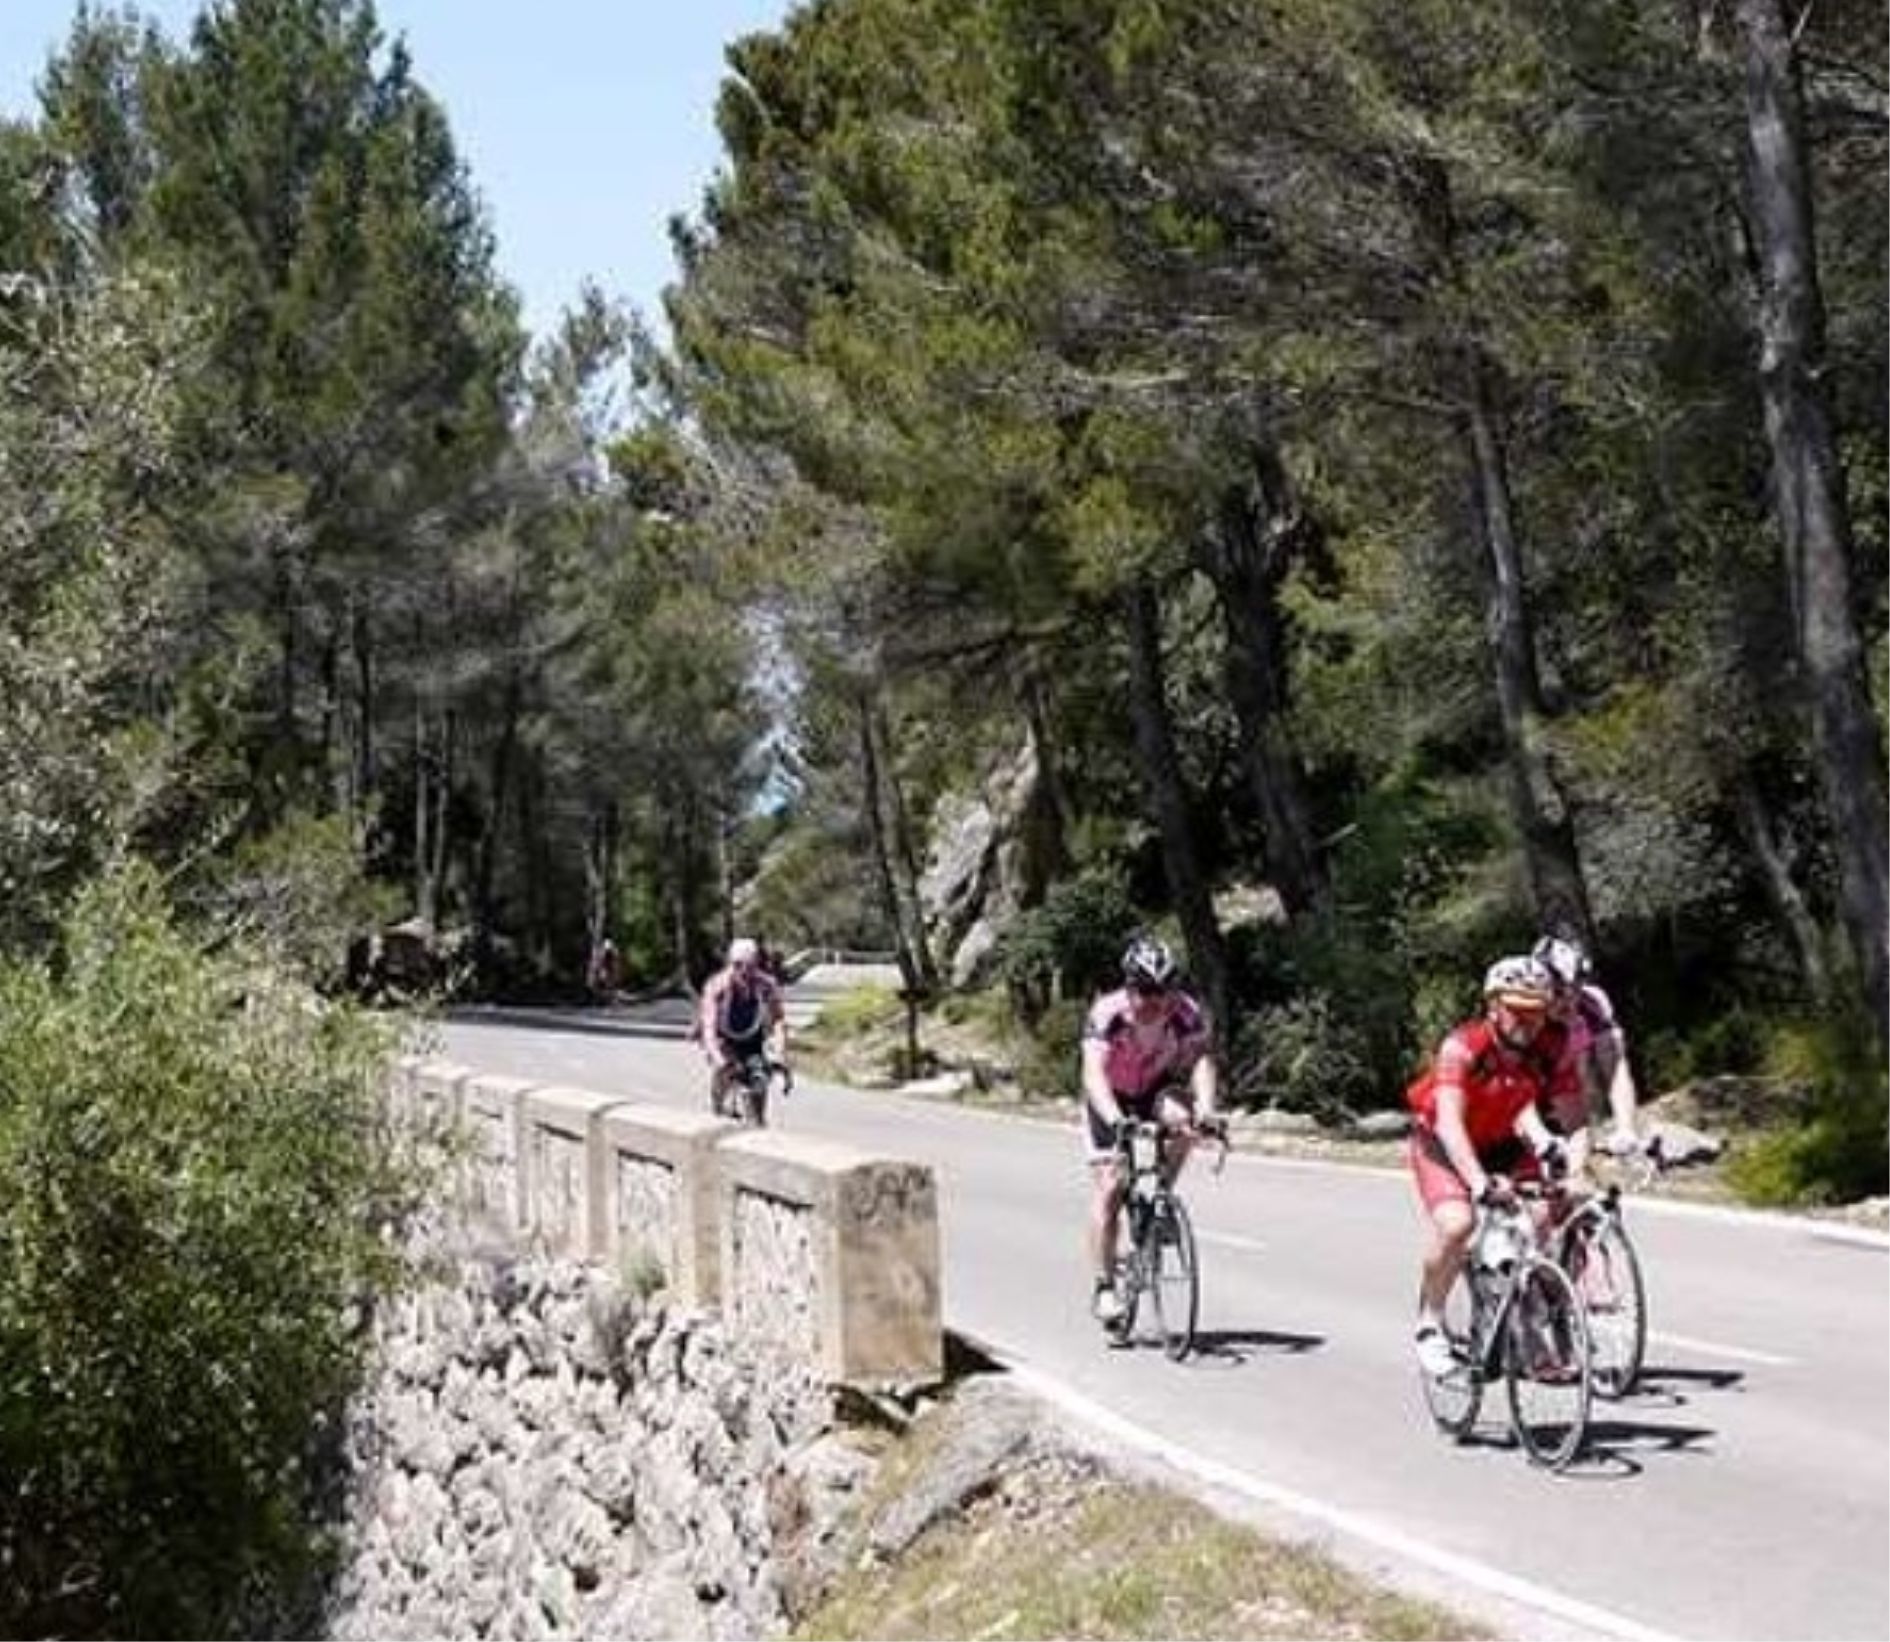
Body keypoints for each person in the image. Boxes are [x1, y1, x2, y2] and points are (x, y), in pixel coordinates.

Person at [1405, 954, 1577, 1376]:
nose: (1528, 1021)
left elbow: (1525, 1104)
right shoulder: (1462, 1048)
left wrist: (1548, 1146)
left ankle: (1526, 1325)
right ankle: (1431, 1321)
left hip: (1499, 1141)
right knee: (1457, 1224)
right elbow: (1449, 1120)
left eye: (1537, 1011)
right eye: (1517, 1010)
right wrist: (1479, 1183)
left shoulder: (1548, 1048)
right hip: (1443, 1143)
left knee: (1544, 1215)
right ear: (1493, 1007)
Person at [1080, 935, 1225, 1325]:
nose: (1156, 1001)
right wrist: (1114, 1120)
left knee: (1186, 1123)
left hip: (1153, 1089)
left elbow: (1200, 1061)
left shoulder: (1184, 1011)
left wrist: (1207, 1108)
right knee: (1111, 1185)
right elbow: (1093, 1074)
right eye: (1146, 991)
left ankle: (1161, 1198)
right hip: (1110, 1096)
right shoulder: (1107, 1013)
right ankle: (1104, 1286)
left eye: (1164, 990)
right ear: (1129, 987)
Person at [1533, 934, 1643, 1173]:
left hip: (1569, 1097)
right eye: (1558, 991)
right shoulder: (1526, 1006)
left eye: (1575, 988)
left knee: (1588, 1052)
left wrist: (1626, 1129)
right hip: (1530, 1101)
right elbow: (1511, 1078)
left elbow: (1615, 1068)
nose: (1568, 999)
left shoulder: (1593, 1002)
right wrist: (1538, 1136)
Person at [697, 936, 788, 1112]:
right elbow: (709, 1029)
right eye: (739, 965)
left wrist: (780, 1053)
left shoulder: (766, 985)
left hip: (752, 1039)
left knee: (759, 1077)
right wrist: (720, 1061)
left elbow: (778, 1020)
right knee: (727, 1069)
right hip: (722, 1037)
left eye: (752, 966)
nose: (745, 972)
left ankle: (757, 1121)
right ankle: (718, 1107)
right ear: (732, 964)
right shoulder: (717, 986)